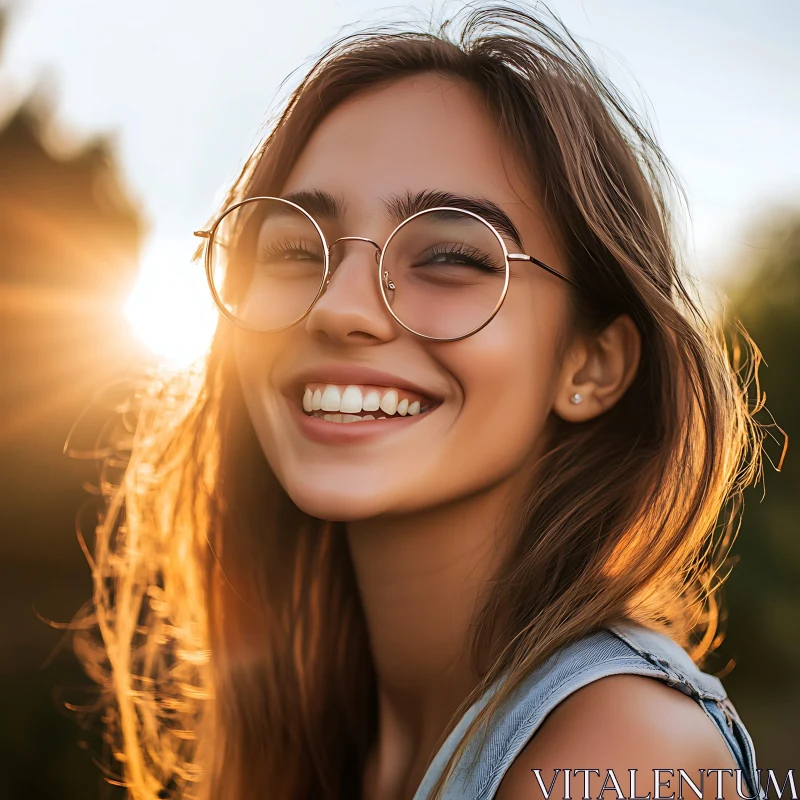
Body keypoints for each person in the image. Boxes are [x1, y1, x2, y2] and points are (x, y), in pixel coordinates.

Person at [70, 4, 770, 799]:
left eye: (448, 255)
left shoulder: (630, 758)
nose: (338, 306)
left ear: (592, 363)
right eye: (297, 250)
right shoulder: (317, 726)